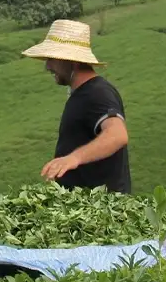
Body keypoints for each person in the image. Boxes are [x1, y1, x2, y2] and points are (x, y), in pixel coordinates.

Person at [21, 19, 131, 193]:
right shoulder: (82, 94)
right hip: (81, 206)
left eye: (52, 59)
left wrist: (73, 158)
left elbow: (117, 135)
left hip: (100, 210)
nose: (47, 66)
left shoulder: (97, 93)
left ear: (72, 61)